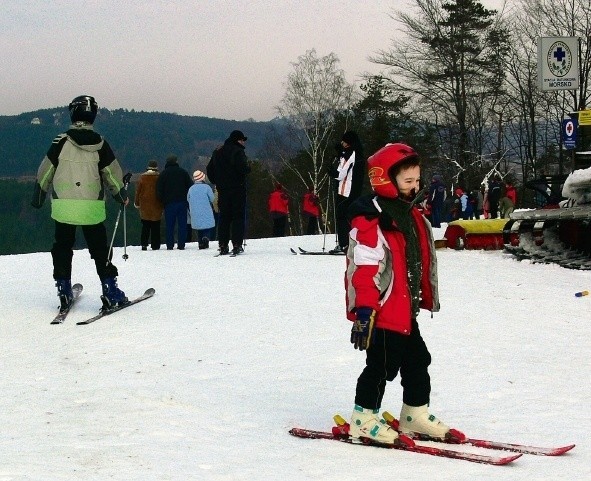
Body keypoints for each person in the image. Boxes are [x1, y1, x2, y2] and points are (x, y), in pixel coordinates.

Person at [345, 143, 449, 445]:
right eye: (407, 181)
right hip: (382, 311)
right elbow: (364, 270)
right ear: (385, 180)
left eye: (417, 181)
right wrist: (365, 312)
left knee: (418, 360)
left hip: (405, 310)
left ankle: (413, 413)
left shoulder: (412, 215)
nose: (414, 187)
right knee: (380, 367)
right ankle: (364, 417)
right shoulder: (370, 221)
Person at [31, 95, 129, 309]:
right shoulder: (101, 144)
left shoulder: (60, 142)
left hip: (64, 206)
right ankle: (110, 290)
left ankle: (64, 290)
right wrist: (121, 195)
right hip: (91, 207)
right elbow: (112, 174)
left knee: (62, 247)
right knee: (100, 249)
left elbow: (45, 170)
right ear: (92, 115)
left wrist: (38, 195)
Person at [206, 130, 251, 256]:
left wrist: (216, 181)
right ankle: (236, 244)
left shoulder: (218, 151)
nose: (243, 142)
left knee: (224, 217)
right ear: (237, 140)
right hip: (237, 188)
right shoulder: (238, 151)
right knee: (238, 216)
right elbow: (243, 168)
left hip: (222, 189)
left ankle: (223, 245)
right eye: (242, 139)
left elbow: (210, 169)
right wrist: (248, 169)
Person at [329, 131, 365, 254]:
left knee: (341, 216)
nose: (342, 143)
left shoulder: (350, 154)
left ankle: (344, 244)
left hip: (345, 191)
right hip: (355, 191)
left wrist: (331, 172)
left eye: (344, 141)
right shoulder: (358, 153)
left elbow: (341, 174)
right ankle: (351, 243)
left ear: (349, 142)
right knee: (350, 216)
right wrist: (341, 154)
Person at [156, 154, 193, 250]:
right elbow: (190, 187)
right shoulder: (183, 172)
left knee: (170, 225)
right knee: (182, 225)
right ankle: (181, 244)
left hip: (169, 204)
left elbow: (159, 190)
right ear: (176, 162)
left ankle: (170, 245)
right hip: (182, 202)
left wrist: (163, 201)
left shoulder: (163, 174)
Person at [134, 159, 163, 250]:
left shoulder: (142, 177)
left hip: (145, 206)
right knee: (156, 226)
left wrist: (137, 203)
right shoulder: (159, 177)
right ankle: (155, 245)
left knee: (145, 226)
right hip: (157, 205)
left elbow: (138, 192)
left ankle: (144, 244)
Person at [187, 170, 215, 249]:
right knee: (207, 225)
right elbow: (212, 199)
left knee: (199, 227)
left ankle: (200, 243)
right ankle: (206, 237)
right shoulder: (207, 187)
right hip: (206, 209)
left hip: (195, 211)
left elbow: (188, 199)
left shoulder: (191, 189)